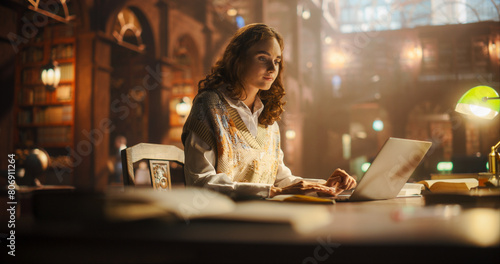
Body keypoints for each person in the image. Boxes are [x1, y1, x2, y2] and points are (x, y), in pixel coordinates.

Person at [182, 23, 356, 199]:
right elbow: (200, 181)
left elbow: (281, 180)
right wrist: (273, 192)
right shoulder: (209, 104)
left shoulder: (267, 117)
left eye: (277, 61)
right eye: (262, 58)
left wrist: (323, 186)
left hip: (265, 215)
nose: (272, 69)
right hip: (222, 220)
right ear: (238, 59)